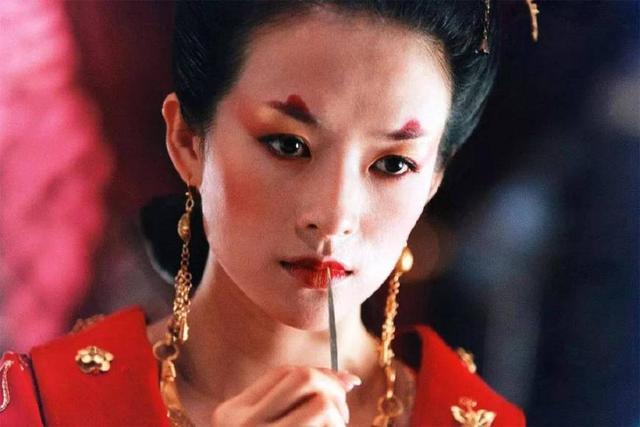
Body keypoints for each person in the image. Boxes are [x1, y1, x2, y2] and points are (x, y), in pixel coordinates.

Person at [1, 1, 534, 425]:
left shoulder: (466, 417)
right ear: (187, 141)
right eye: (288, 145)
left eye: (393, 164)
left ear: (433, 181)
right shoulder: (44, 405)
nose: (334, 216)